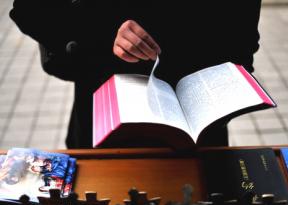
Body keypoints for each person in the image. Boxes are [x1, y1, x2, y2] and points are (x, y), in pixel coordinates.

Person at [9, 1, 262, 148]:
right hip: (106, 121)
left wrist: (232, 79)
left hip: (202, 130)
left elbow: (243, 40)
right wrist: (104, 33)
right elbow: (30, 9)